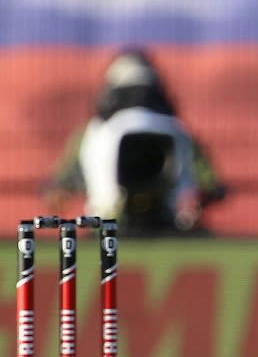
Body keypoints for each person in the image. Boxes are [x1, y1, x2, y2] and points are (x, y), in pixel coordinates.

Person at [41, 48, 227, 235]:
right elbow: (211, 185)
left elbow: (59, 187)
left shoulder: (90, 133)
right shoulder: (180, 131)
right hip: (169, 228)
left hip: (108, 230)